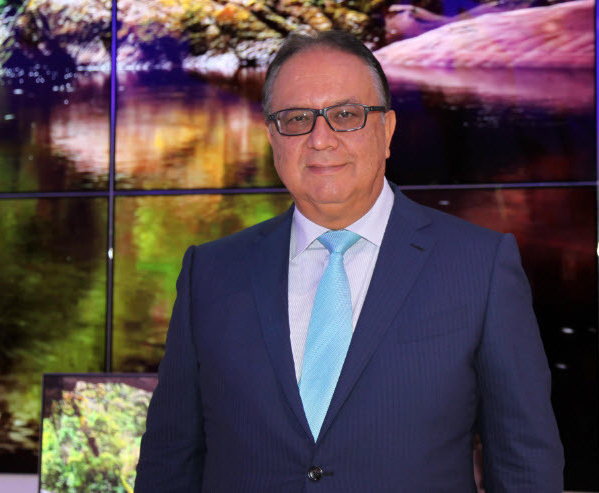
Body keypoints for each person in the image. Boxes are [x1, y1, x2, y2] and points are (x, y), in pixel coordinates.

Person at [135, 30, 564, 492]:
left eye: (345, 115)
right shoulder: (210, 274)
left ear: (387, 130)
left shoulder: (479, 267)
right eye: (297, 119)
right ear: (272, 138)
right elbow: (168, 462)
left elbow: (525, 465)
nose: (320, 139)